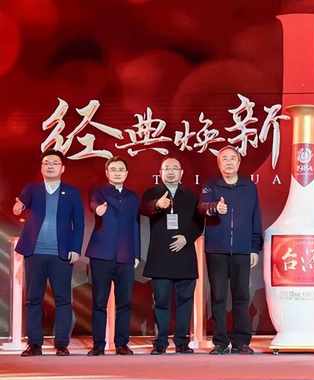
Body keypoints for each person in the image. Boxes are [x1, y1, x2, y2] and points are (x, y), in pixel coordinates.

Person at [13, 149, 84, 356]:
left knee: (63, 300)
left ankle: (61, 344)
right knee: (34, 299)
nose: (50, 166)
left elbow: (79, 223)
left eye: (54, 163)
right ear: (41, 167)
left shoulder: (71, 192)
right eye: (46, 163)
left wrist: (75, 249)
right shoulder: (32, 189)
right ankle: (34, 344)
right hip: (34, 252)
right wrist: (18, 207)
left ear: (62, 168)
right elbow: (19, 206)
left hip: (61, 254)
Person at [200, 146, 263, 355]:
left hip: (242, 250)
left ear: (238, 162)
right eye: (224, 159)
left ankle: (241, 342)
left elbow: (256, 218)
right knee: (218, 296)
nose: (228, 162)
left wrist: (254, 248)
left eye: (232, 158)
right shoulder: (211, 186)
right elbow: (201, 207)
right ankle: (220, 342)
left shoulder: (249, 187)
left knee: (241, 296)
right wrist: (214, 208)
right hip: (216, 249)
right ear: (219, 163)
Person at [140, 157, 203, 355]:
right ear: (160, 172)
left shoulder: (191, 196)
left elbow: (199, 224)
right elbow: (144, 209)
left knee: (185, 302)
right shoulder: (152, 193)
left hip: (184, 256)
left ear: (181, 173)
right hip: (160, 258)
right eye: (167, 168)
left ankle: (182, 342)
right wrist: (158, 205)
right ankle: (160, 342)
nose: (171, 172)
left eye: (175, 168)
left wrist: (187, 237)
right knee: (161, 302)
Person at [86, 157, 140, 356]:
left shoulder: (133, 197)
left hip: (125, 255)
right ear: (107, 173)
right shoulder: (99, 192)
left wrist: (136, 253)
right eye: (113, 169)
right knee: (99, 302)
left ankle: (121, 344)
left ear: (126, 173)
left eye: (121, 169)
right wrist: (97, 209)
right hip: (101, 254)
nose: (117, 172)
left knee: (124, 302)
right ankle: (98, 345)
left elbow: (135, 225)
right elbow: (93, 203)